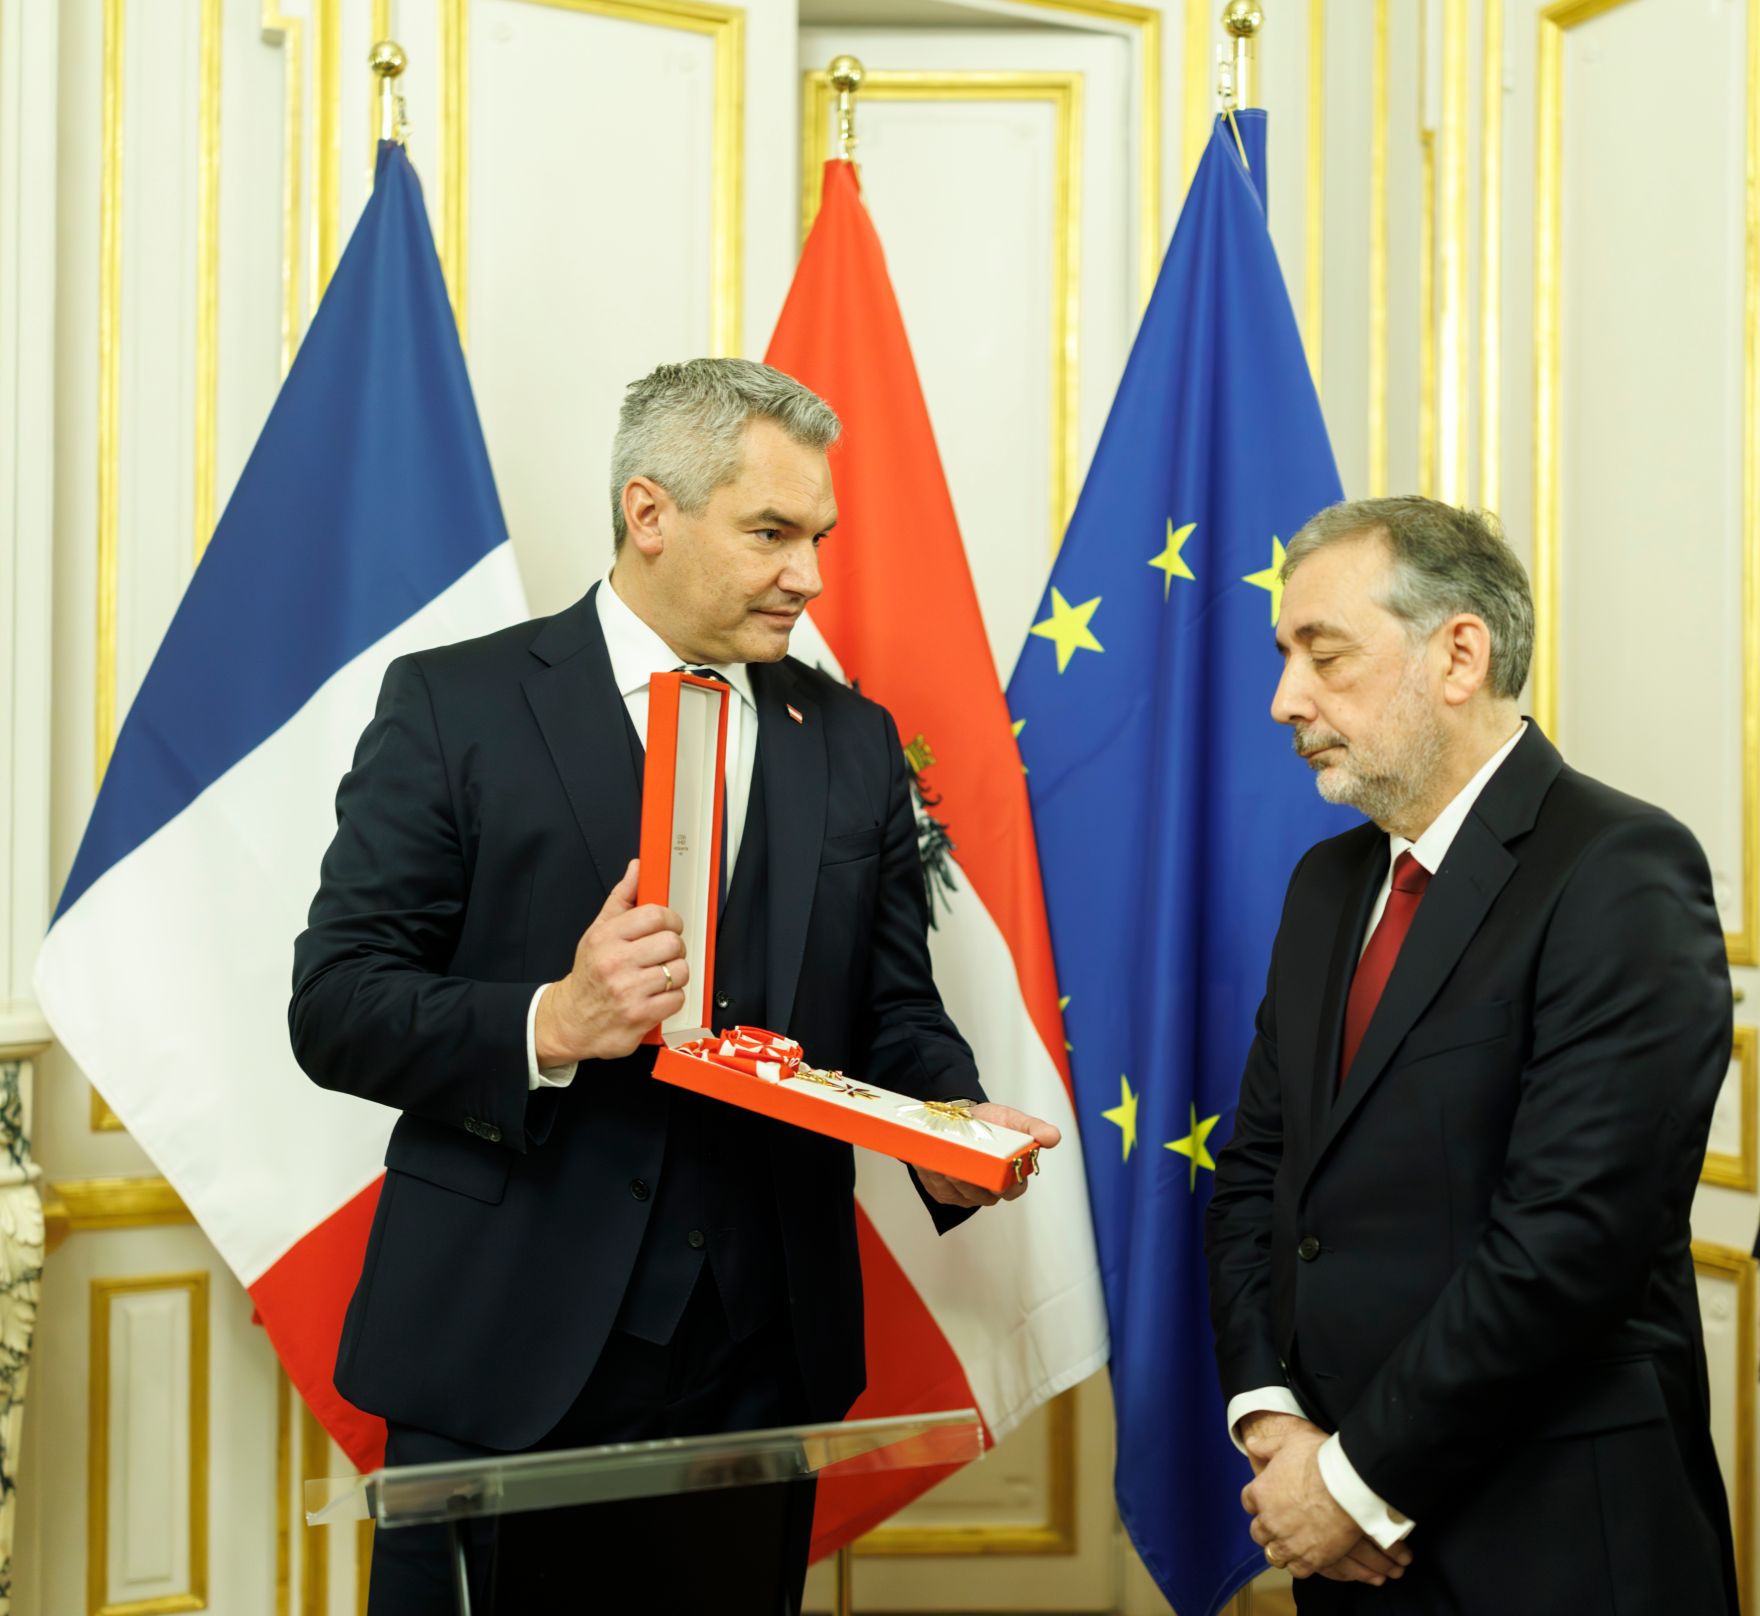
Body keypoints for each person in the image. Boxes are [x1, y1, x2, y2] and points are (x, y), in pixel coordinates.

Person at [289, 358, 1059, 1613]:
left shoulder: (850, 735)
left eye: (816, 535)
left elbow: (892, 1007)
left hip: (762, 1357)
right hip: (501, 1351)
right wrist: (554, 1018)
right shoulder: (453, 706)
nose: (808, 574)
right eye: (770, 532)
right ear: (649, 512)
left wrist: (948, 1126)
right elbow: (334, 1002)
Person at [1205, 496, 1737, 1613]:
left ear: (1458, 653)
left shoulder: (1619, 867)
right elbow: (1259, 1174)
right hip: (1343, 1539)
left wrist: (1349, 1480)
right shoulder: (1324, 887)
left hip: (1552, 1539)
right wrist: (1273, 1424)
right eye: (1281, 655)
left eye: (1323, 654)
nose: (1282, 699)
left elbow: (1569, 1240)